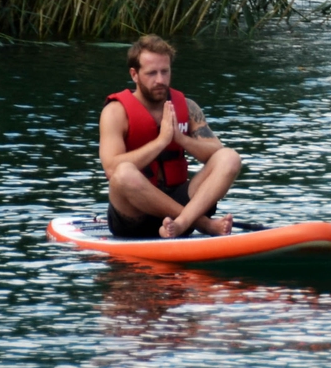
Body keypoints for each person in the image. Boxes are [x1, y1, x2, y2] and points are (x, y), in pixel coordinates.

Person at [98, 35, 243, 238]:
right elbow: (111, 169)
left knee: (229, 157)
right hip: (134, 216)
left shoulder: (188, 107)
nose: (160, 80)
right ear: (135, 74)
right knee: (123, 173)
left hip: (182, 208)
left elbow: (215, 152)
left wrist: (181, 138)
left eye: (165, 72)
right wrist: (161, 141)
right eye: (151, 73)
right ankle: (205, 225)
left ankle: (182, 223)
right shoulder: (115, 112)